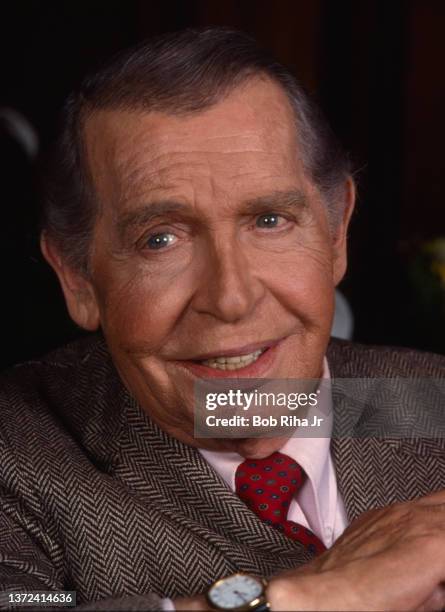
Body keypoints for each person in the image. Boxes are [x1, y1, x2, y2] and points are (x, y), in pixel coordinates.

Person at [1, 27, 444, 611]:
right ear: (79, 279)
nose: (231, 299)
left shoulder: (424, 398)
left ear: (336, 235)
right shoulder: (17, 450)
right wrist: (312, 599)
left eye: (268, 221)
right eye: (160, 239)